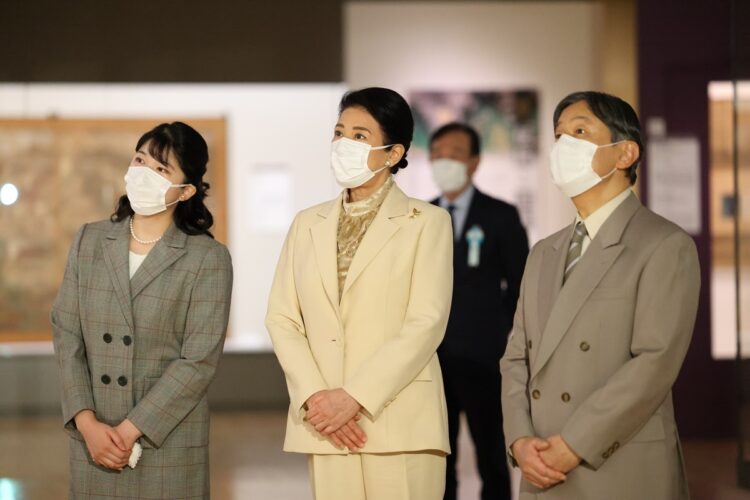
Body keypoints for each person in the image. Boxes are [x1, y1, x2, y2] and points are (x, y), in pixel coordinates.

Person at [500, 91, 700, 499]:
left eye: (579, 131)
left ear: (625, 153)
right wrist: (520, 440)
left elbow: (654, 364)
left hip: (614, 460)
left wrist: (573, 444)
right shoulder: (543, 252)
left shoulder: (663, 244)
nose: (563, 146)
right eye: (558, 136)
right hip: (540, 463)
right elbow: (516, 356)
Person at [266, 87, 453, 500]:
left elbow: (426, 322)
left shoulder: (428, 222)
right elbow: (281, 318)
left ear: (392, 153)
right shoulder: (306, 223)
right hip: (326, 424)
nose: (343, 144)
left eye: (360, 136)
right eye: (339, 132)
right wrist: (317, 397)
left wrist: (354, 397)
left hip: (398, 420)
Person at [51, 122, 233, 500]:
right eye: (140, 160)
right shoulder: (90, 240)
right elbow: (67, 333)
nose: (143, 173)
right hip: (93, 443)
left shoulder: (208, 259)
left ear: (185, 191)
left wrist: (129, 430)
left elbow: (197, 361)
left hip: (167, 444)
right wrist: (87, 423)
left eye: (161, 169)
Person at [429, 122, 528, 500]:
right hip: (432, 357)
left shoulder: (500, 215)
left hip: (485, 356)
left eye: (453, 153)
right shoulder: (423, 215)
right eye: (437, 154)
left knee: (490, 451)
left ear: (474, 162)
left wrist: (500, 329)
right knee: (438, 453)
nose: (443, 161)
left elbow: (520, 284)